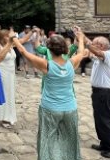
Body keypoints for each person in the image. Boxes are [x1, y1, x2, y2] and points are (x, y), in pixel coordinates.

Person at [13, 31, 85, 160]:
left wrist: (15, 39)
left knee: (47, 139)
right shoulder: (71, 63)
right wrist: (81, 39)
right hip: (70, 108)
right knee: (70, 139)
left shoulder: (47, 65)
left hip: (50, 109)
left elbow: (24, 52)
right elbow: (81, 53)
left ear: (49, 49)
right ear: (64, 48)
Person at [84, 35, 110, 159]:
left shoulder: (109, 55)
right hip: (99, 92)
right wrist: (80, 35)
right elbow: (93, 49)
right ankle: (105, 144)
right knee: (99, 120)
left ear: (101, 46)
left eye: (94, 44)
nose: (92, 46)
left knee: (105, 121)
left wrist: (85, 41)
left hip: (105, 93)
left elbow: (94, 50)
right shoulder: (101, 57)